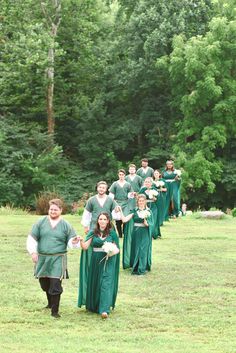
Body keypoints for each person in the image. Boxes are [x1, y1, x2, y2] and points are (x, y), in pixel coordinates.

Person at [26, 199, 81, 318]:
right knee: (45, 284)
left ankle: (55, 311)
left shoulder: (66, 225)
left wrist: (75, 241)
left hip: (58, 258)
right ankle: (50, 303)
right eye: (51, 209)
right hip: (43, 257)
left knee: (55, 284)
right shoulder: (40, 222)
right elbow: (32, 238)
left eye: (56, 209)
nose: (53, 211)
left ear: (61, 210)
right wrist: (33, 252)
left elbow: (72, 242)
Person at [78, 213, 120, 319]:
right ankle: (95, 305)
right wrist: (81, 240)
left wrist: (111, 252)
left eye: (104, 219)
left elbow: (117, 249)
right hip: (96, 261)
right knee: (97, 282)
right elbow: (85, 247)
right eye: (100, 219)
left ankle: (104, 310)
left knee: (106, 283)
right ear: (97, 221)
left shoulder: (112, 234)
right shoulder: (93, 232)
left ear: (108, 221)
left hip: (108, 260)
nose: (102, 221)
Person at [121, 194, 153, 275]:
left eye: (142, 201)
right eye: (139, 201)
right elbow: (124, 220)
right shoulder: (134, 211)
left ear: (145, 201)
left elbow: (151, 223)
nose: (141, 202)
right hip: (136, 232)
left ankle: (142, 268)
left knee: (143, 250)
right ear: (137, 202)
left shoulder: (149, 211)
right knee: (136, 249)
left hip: (145, 232)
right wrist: (120, 211)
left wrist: (147, 223)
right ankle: (135, 265)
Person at [109, 169, 134, 238]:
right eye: (120, 175)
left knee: (125, 219)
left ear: (124, 175)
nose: (121, 176)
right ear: (118, 175)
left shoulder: (128, 184)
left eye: (122, 175)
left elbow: (130, 195)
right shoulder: (115, 184)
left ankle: (124, 232)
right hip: (117, 203)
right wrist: (113, 203)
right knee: (118, 220)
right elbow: (111, 195)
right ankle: (120, 234)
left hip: (125, 203)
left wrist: (131, 195)